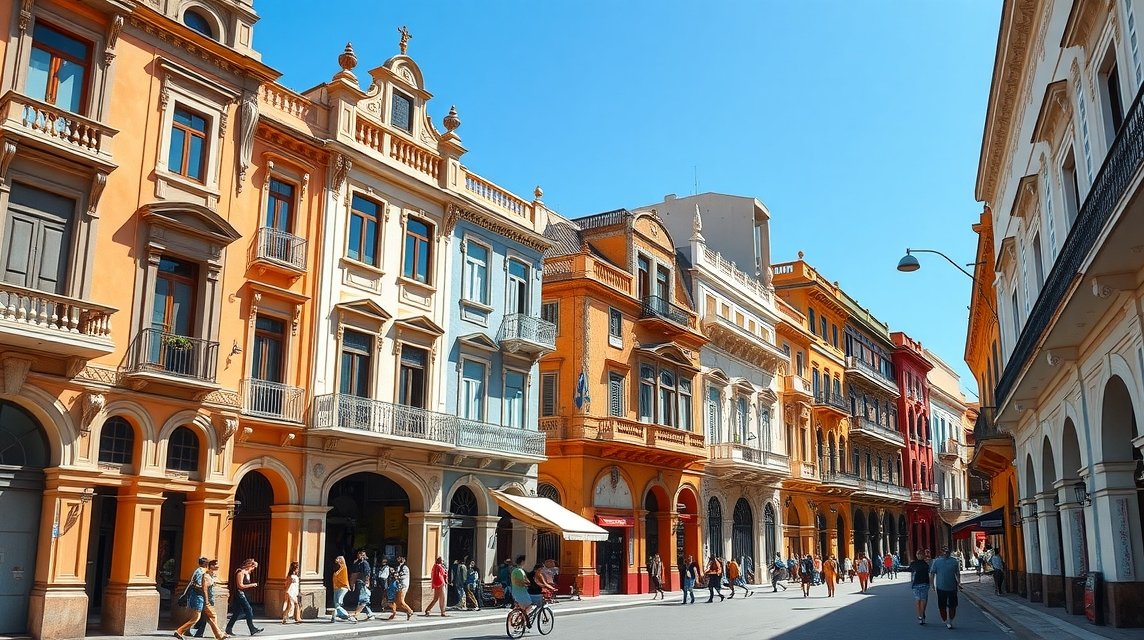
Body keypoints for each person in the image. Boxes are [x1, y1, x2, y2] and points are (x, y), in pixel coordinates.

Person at [176, 559, 226, 640]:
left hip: (204, 598)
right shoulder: (201, 573)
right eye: (214, 565)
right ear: (206, 564)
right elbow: (202, 587)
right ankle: (179, 631)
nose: (217, 566)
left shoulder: (208, 573)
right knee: (197, 617)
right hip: (200, 598)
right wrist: (206, 598)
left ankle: (219, 635)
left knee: (211, 616)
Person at [225, 559, 263, 636]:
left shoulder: (247, 573)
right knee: (249, 610)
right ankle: (252, 629)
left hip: (243, 594)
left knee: (236, 612)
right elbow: (240, 586)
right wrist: (252, 585)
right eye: (253, 567)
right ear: (249, 565)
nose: (253, 569)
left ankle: (229, 628)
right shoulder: (240, 572)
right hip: (240, 594)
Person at [930, 545, 962, 629]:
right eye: (944, 551)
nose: (945, 553)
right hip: (941, 587)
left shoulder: (954, 561)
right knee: (942, 606)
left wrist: (959, 582)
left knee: (953, 605)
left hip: (952, 587)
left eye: (947, 551)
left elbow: (957, 573)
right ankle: (945, 619)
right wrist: (932, 584)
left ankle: (950, 620)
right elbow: (932, 573)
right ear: (941, 552)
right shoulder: (936, 562)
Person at [349, 549, 374, 620]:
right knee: (365, 600)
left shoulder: (365, 563)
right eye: (358, 554)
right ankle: (370, 614)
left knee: (363, 599)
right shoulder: (359, 563)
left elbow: (367, 573)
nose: (358, 555)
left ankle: (356, 615)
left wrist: (367, 582)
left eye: (360, 554)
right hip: (360, 582)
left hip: (363, 583)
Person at [330, 556, 356, 623]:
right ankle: (336, 615)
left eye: (339, 559)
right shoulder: (337, 568)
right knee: (336, 604)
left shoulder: (343, 567)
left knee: (338, 603)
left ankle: (347, 615)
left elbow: (341, 578)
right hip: (336, 588)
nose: (337, 559)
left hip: (342, 587)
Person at [908, 550, 931, 625]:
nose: (919, 555)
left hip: (925, 584)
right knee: (918, 600)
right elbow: (909, 571)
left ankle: (922, 613)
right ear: (916, 555)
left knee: (923, 601)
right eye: (918, 554)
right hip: (916, 584)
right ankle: (920, 617)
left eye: (921, 554)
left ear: (923, 555)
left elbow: (931, 573)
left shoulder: (927, 564)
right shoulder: (913, 563)